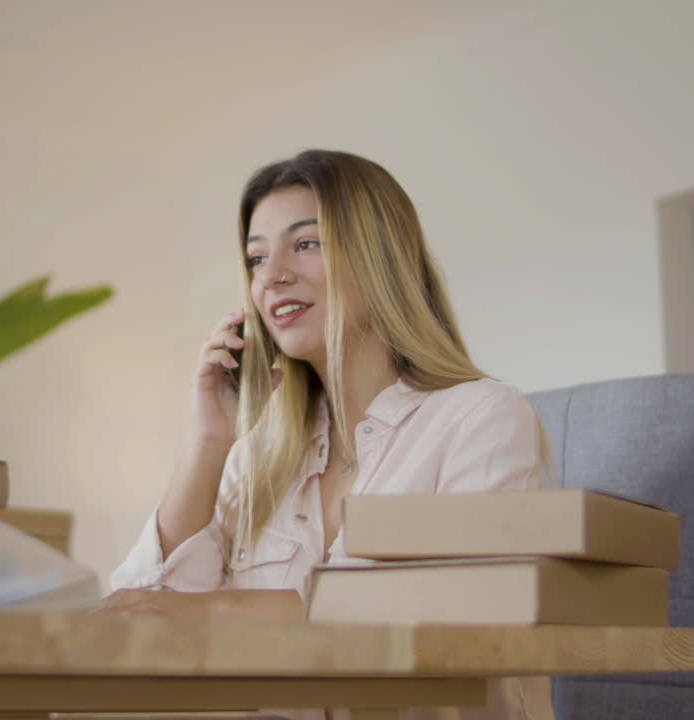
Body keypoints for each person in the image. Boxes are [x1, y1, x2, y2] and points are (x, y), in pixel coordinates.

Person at [106, 150, 553, 720]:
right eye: (256, 257)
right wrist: (208, 442)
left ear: (379, 257)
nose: (272, 275)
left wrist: (226, 613)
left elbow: (466, 625)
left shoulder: (480, 418)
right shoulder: (256, 457)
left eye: (306, 243)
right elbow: (141, 622)